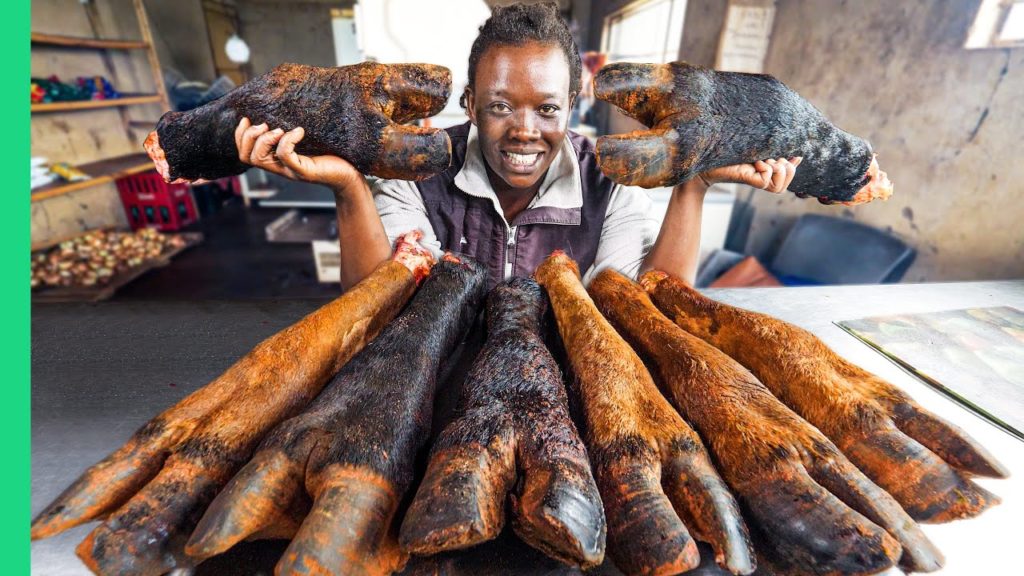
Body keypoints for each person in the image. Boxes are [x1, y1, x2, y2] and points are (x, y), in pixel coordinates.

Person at [232, 2, 800, 289]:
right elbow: (377, 304)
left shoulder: (612, 182)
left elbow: (646, 307)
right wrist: (349, 185)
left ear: (572, 109)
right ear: (471, 107)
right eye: (500, 106)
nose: (524, 129)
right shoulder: (418, 166)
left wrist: (694, 187)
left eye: (547, 108)